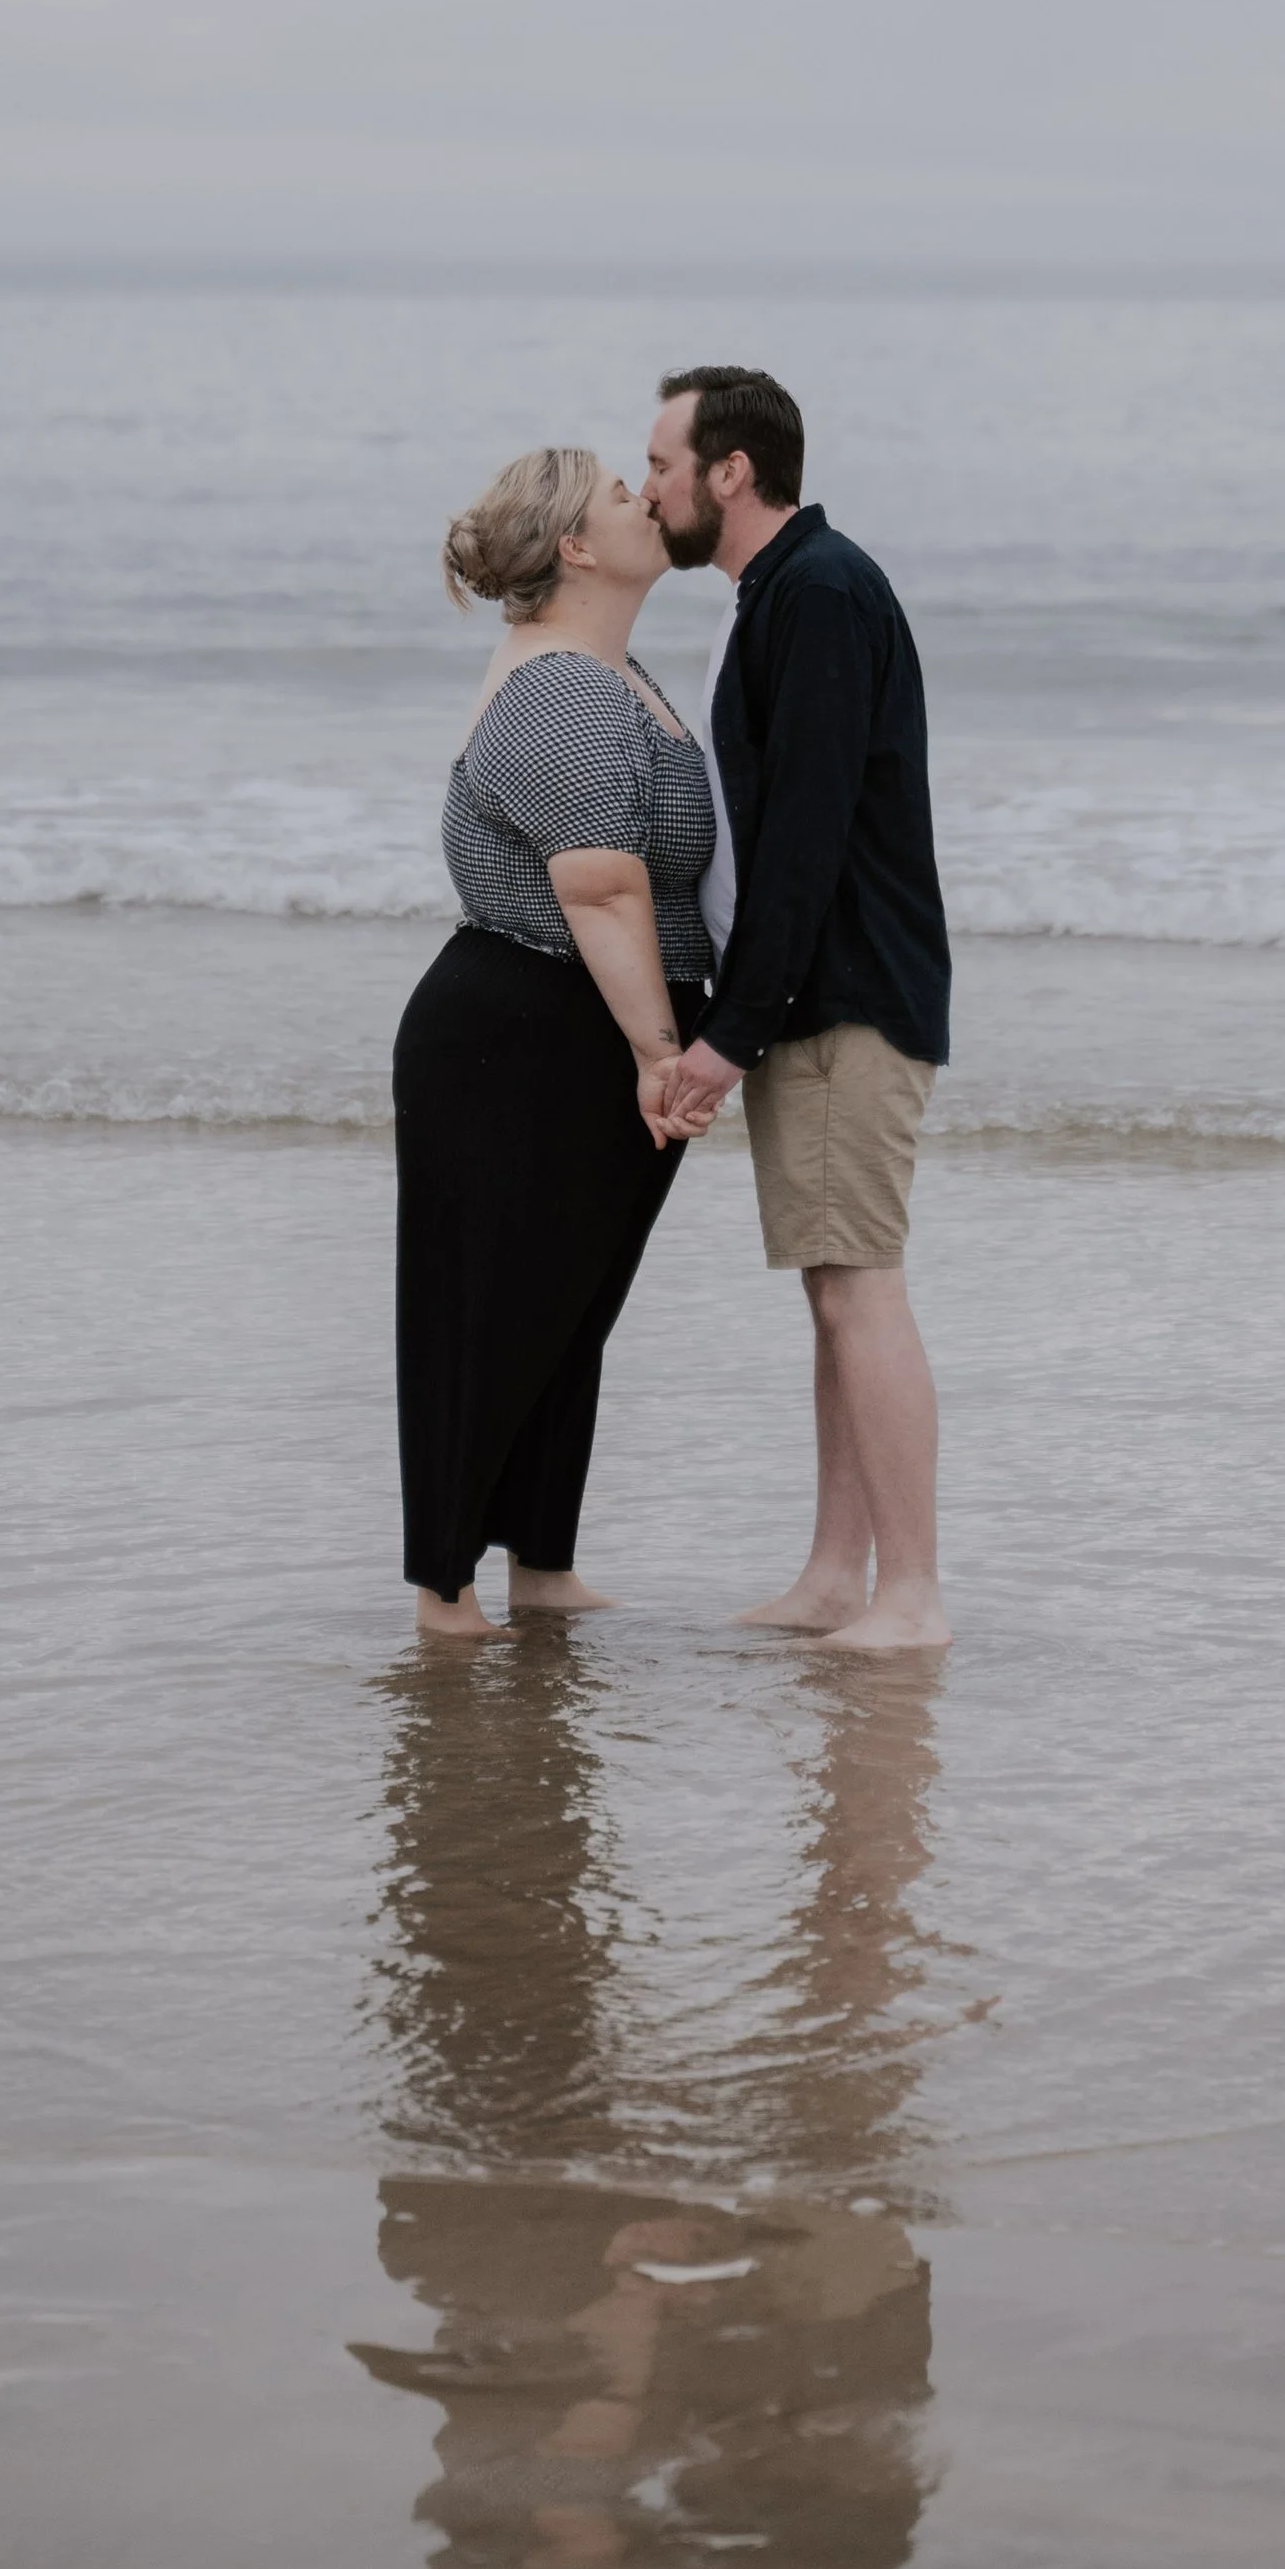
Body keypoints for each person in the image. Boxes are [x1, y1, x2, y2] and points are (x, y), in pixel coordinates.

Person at [643, 368, 953, 1651]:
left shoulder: (818, 593)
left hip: (842, 998)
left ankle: (911, 1594)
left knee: (860, 1289)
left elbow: (809, 838)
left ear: (729, 470)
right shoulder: (777, 591)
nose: (647, 482)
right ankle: (838, 1575)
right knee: (831, 1288)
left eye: (661, 458)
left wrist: (725, 1035)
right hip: (811, 999)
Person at [395, 444, 716, 1639]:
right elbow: (600, 890)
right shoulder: (561, 689)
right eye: (620, 495)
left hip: (576, 1021)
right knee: (490, 1311)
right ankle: (445, 1588)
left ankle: (540, 1562)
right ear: (576, 547)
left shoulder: (612, 668)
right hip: (523, 1028)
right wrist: (655, 1051)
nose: (646, 498)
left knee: (569, 1307)